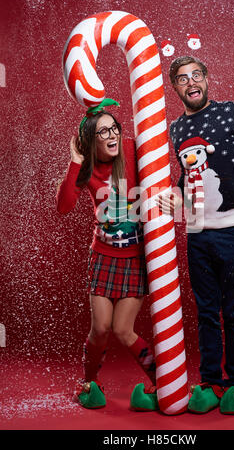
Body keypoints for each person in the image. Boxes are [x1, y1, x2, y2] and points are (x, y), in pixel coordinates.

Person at [157, 57, 234, 414]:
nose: (190, 82)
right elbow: (184, 177)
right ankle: (211, 381)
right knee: (207, 312)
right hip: (197, 233)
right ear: (175, 87)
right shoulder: (176, 129)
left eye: (196, 75)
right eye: (182, 78)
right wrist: (175, 194)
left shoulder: (229, 112)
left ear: (207, 80)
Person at [56, 99, 158, 411]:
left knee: (122, 330)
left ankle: (162, 379)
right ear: (90, 141)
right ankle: (90, 382)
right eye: (103, 133)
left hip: (134, 258)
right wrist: (75, 161)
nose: (112, 135)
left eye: (114, 128)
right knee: (100, 329)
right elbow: (64, 205)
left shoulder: (132, 149)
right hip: (102, 256)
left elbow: (159, 162)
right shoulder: (86, 168)